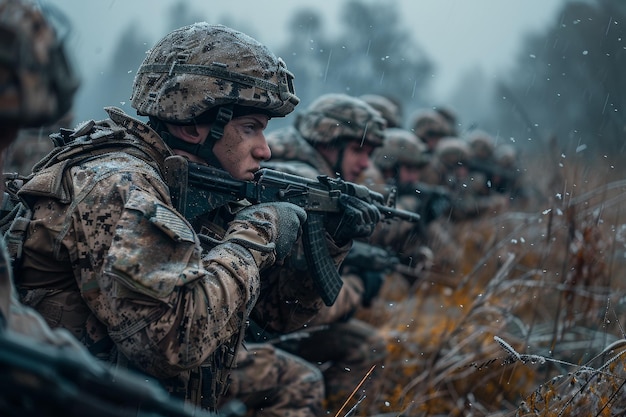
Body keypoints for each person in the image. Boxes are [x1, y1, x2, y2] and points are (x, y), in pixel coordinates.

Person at [9, 22, 374, 415]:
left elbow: (276, 315)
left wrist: (330, 242)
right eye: (249, 128)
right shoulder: (120, 184)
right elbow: (171, 343)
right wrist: (257, 233)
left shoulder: (187, 184)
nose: (265, 151)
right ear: (192, 124)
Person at [0, 2, 218, 417]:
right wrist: (249, 244)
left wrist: (86, 386)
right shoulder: (120, 181)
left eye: (6, 138)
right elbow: (172, 341)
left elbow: (10, 326)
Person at [257, 93, 389, 414]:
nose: (366, 164)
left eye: (370, 153)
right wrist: (357, 286)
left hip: (253, 324)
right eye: (358, 150)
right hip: (255, 331)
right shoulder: (299, 184)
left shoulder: (290, 170)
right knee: (367, 346)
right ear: (328, 144)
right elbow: (305, 312)